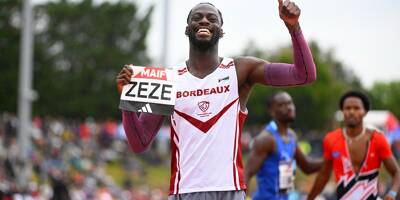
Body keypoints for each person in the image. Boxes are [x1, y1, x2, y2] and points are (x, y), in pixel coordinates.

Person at [116, 0, 317, 199]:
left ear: (221, 31)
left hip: (229, 190)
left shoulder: (240, 70)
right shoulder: (169, 79)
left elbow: (304, 75)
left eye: (212, 18)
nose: (204, 21)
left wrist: (294, 27)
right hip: (184, 191)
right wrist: (128, 103)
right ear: (188, 29)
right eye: (197, 17)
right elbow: (139, 143)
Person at [307, 90, 400, 200]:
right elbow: (324, 175)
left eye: (356, 108)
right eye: (347, 108)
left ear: (364, 112)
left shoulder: (377, 139)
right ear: (342, 111)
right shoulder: (331, 139)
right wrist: (310, 198)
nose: (351, 112)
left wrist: (392, 193)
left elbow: (396, 172)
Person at [244, 91, 322, 200]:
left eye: (290, 103)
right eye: (282, 105)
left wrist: (333, 159)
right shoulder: (266, 139)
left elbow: (307, 166)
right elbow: (246, 173)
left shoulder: (292, 136)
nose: (289, 107)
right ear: (271, 111)